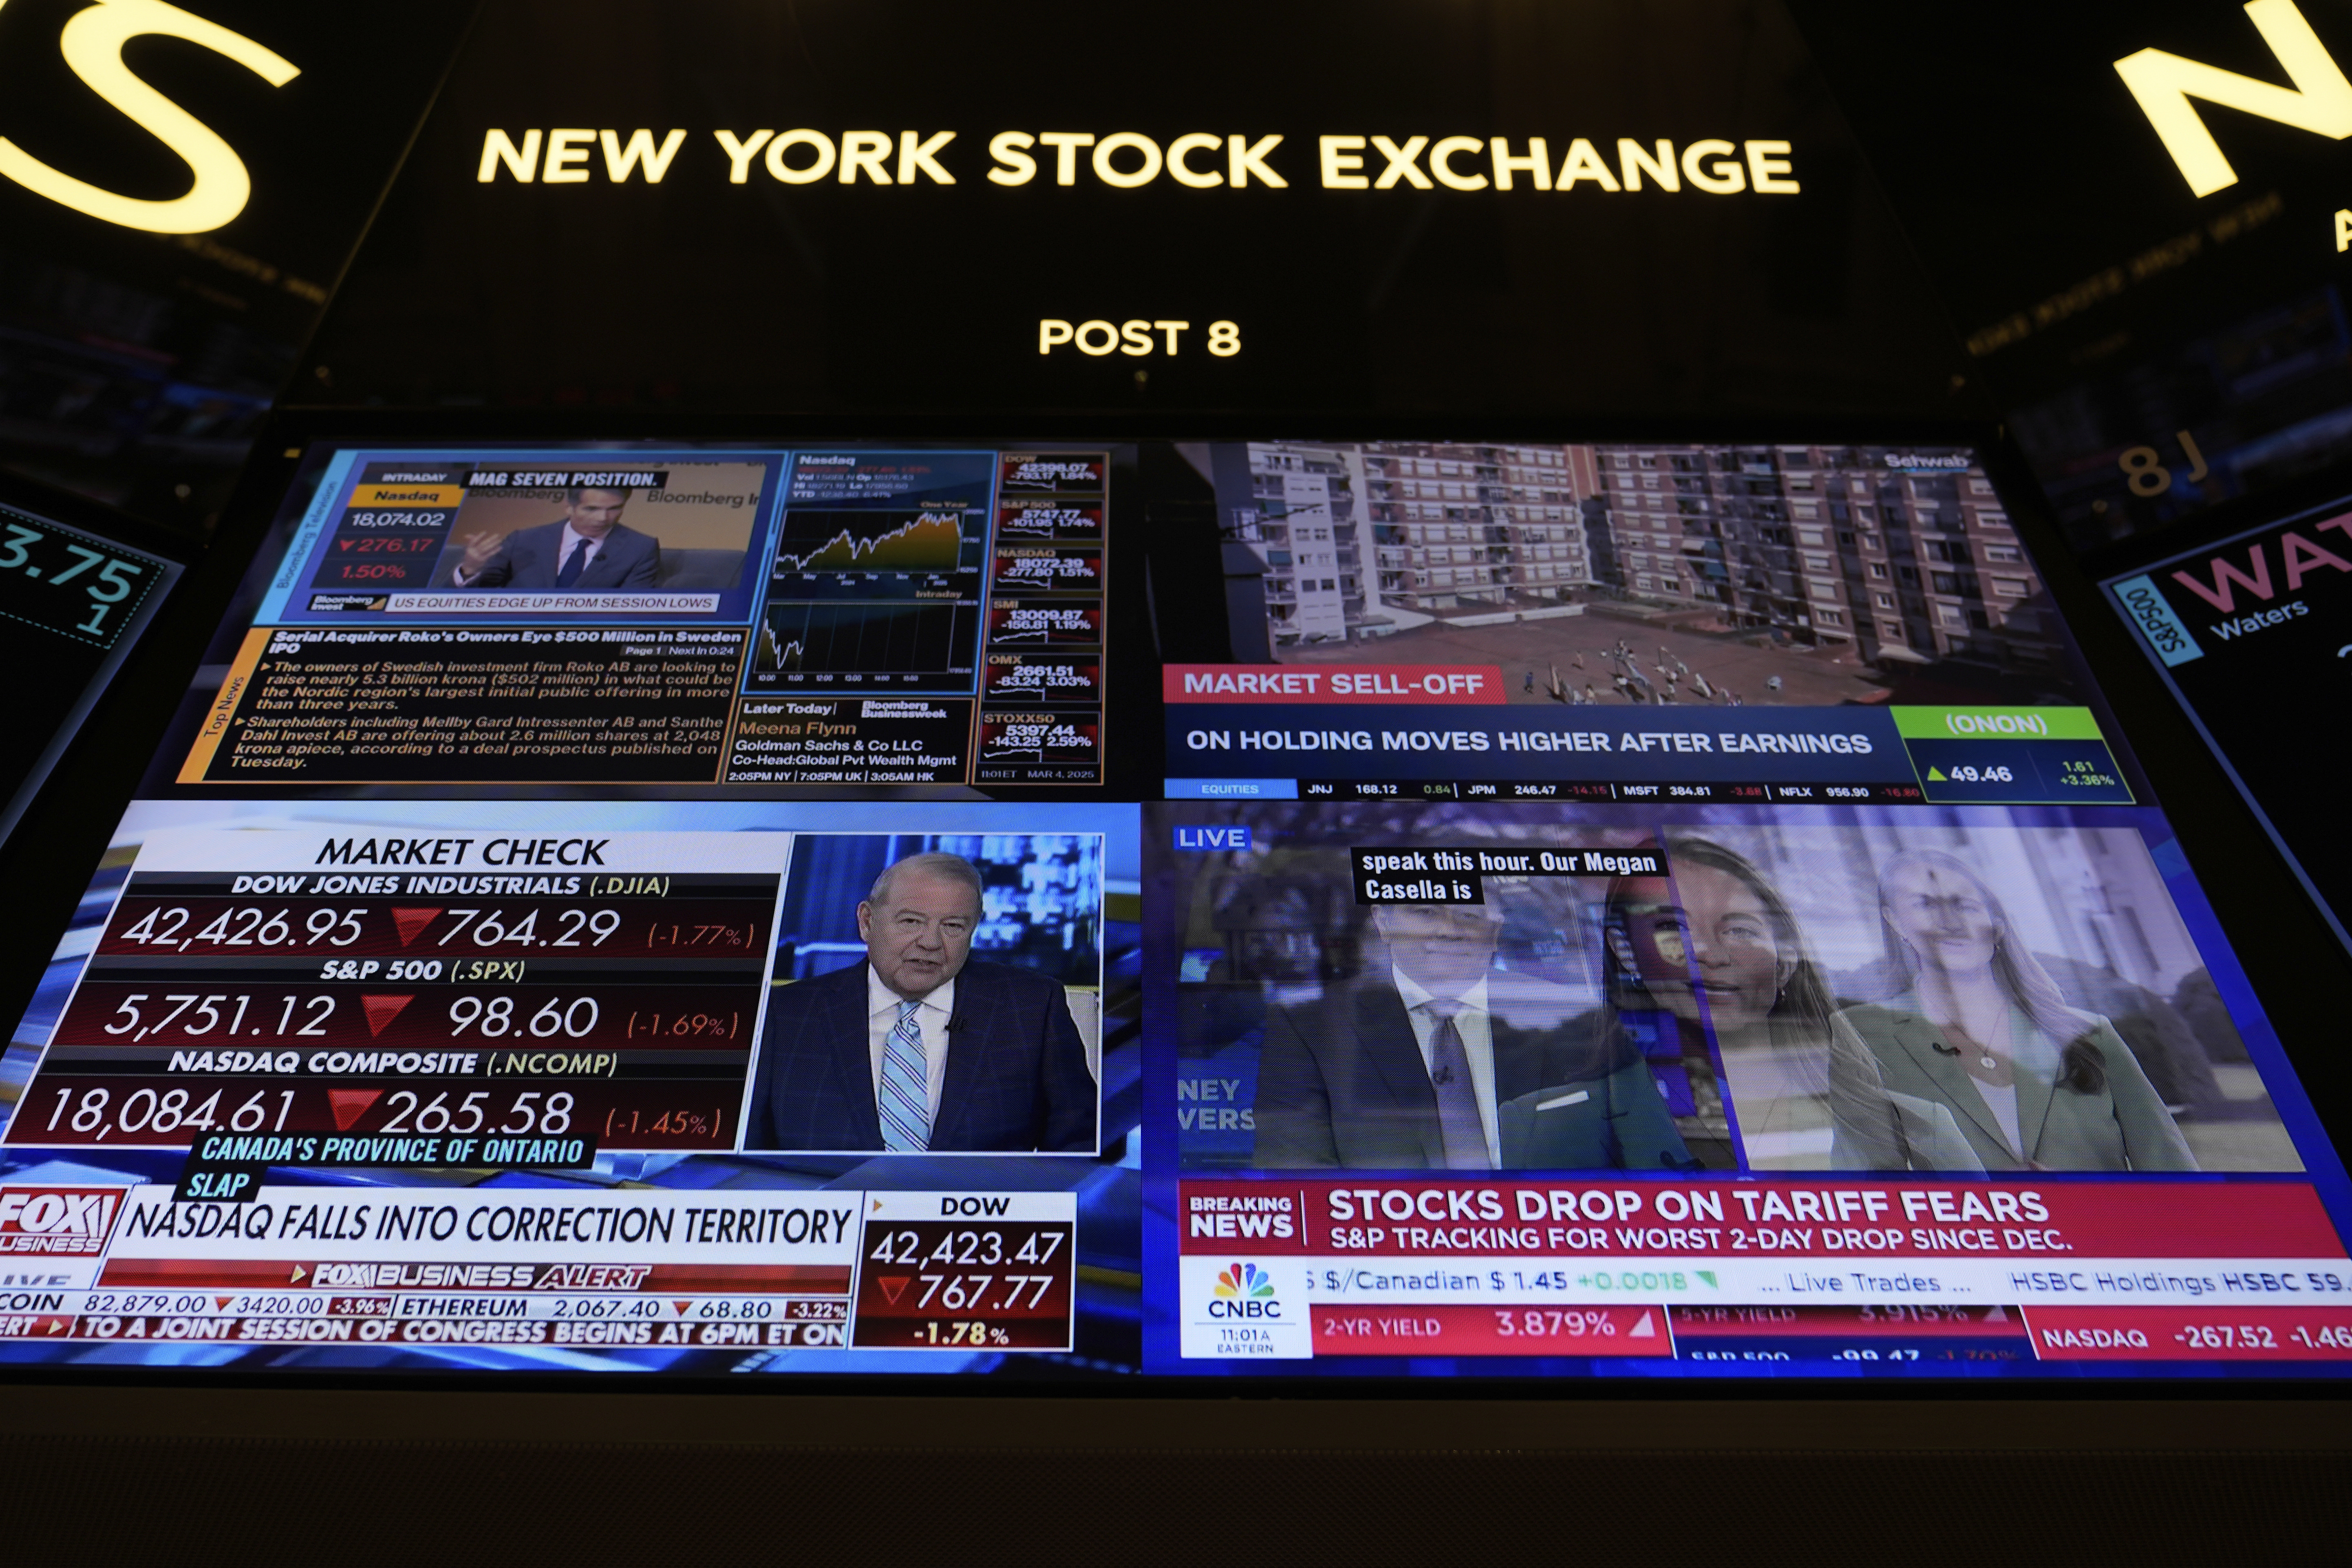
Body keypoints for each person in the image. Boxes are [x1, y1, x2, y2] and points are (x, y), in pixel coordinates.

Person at [1250, 900, 1689, 1171]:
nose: (1449, 929)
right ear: (1382, 921)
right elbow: (1298, 1182)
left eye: (1469, 913)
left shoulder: (1578, 1018)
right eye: (1423, 912)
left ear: (1495, 928)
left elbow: (1658, 1166)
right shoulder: (1309, 1027)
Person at [1834, 848, 2197, 1172]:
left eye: (1965, 905)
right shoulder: (1865, 1034)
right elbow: (1867, 1191)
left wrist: (2082, 1203)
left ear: (1997, 927)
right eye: (1926, 904)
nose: (1950, 922)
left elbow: (2174, 1175)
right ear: (1895, 922)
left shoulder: (2090, 1033)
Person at [1646, 838, 1980, 1172]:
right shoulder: (1616, 1105)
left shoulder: (1912, 1113)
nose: (1706, 952)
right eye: (1675, 928)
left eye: (1738, 930)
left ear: (1786, 960)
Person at [744, 851, 1097, 1153]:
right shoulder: (783, 1013)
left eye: (953, 926)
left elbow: (1079, 1142)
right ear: (867, 922)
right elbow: (746, 1151)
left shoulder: (1032, 1007)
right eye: (911, 921)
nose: (931, 943)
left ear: (973, 930)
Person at [444, 485, 662, 589]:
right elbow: (483, 595)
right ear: (569, 508)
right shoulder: (525, 540)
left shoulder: (640, 547)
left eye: (615, 508)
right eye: (592, 509)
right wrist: (471, 569)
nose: (603, 518)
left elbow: (633, 606)